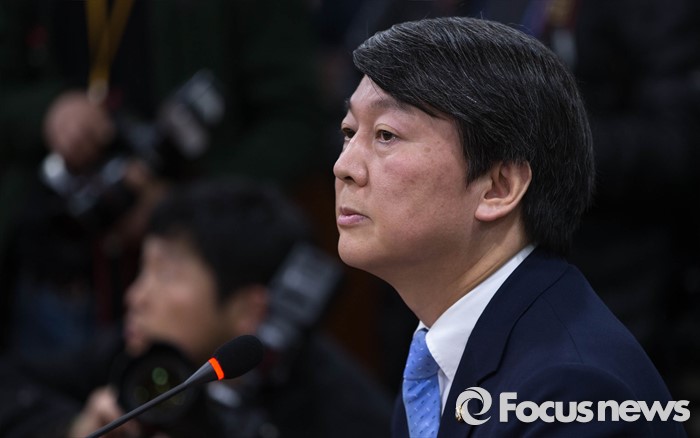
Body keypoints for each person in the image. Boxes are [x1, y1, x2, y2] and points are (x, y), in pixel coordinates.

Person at [333, 16, 687, 437]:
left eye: (386, 135)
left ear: (499, 187)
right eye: (349, 131)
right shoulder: (440, 354)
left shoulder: (572, 392)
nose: (344, 166)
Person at [0, 0, 323, 356]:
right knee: (48, 389)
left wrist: (183, 204)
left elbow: (296, 118)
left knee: (180, 388)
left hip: (194, 281)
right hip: (50, 266)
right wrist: (48, 111)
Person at [0, 178, 393, 437]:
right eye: (143, 271)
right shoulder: (137, 354)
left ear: (249, 311)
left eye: (166, 275)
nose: (135, 297)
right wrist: (73, 426)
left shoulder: (340, 411)